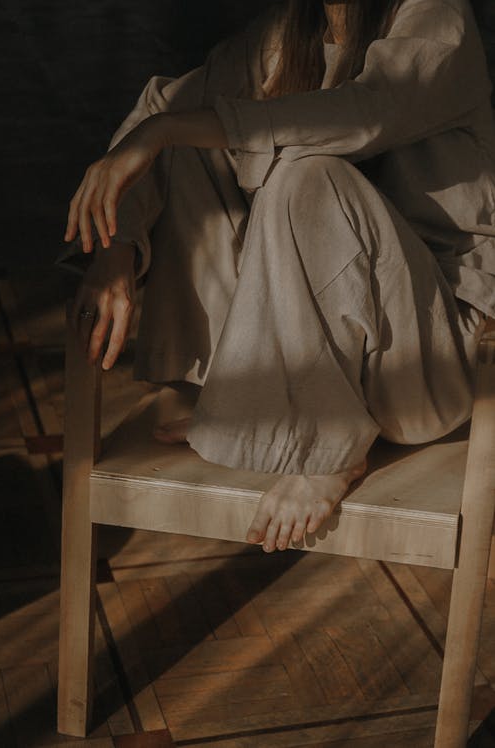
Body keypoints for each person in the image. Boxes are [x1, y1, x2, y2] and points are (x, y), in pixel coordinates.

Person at [57, 0, 495, 554]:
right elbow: (164, 104)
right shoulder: (294, 28)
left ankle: (330, 449)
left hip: (423, 365)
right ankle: (245, 391)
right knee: (189, 135)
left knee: (303, 176)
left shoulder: (436, 17)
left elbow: (362, 114)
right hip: (321, 360)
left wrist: (165, 131)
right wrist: (115, 250)